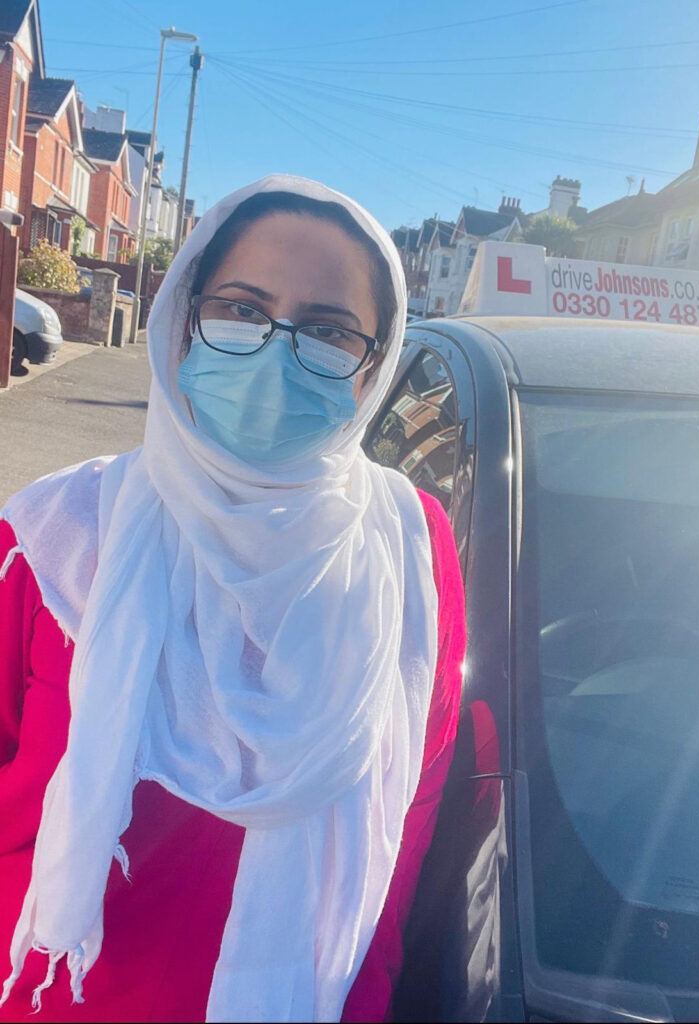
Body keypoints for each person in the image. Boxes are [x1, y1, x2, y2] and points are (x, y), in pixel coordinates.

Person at [0, 175, 465, 1023]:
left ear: (372, 369)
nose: (275, 352)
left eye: (327, 331)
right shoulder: (56, 538)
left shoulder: (409, 548)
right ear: (184, 321)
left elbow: (410, 811)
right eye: (243, 309)